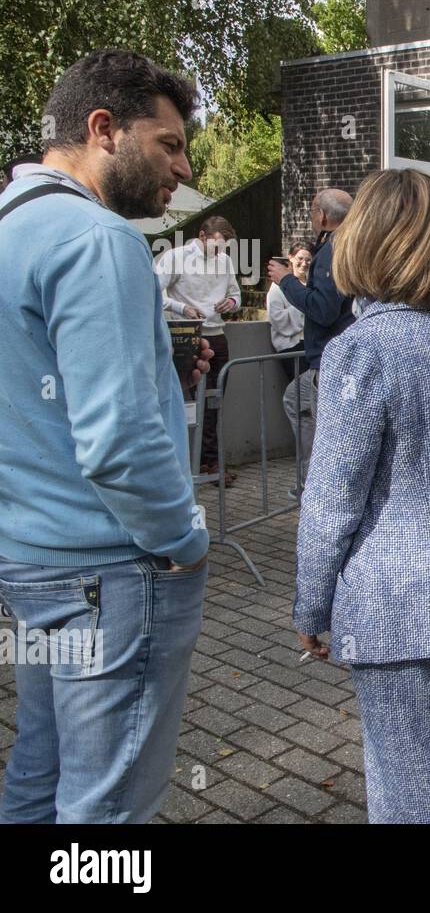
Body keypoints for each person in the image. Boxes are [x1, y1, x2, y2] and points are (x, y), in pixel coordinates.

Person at [0, 49, 209, 824]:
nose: (183, 168)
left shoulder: (13, 226)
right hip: (112, 576)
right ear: (103, 129)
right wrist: (183, 540)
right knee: (107, 806)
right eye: (169, 143)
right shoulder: (99, 240)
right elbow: (119, 441)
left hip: (30, 565)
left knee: (39, 774)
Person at [293, 168, 430, 824]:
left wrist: (311, 603)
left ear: (367, 240)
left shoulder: (363, 350)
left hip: (397, 614)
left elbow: (332, 500)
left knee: (414, 797)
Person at [266, 189, 353, 477]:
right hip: (338, 355)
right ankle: (309, 477)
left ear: (323, 216)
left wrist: (287, 280)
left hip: (330, 359)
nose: (312, 217)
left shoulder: (332, 250)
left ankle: (316, 482)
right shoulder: (352, 245)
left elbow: (324, 309)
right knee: (295, 398)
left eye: (313, 211)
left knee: (327, 434)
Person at [155, 216, 241, 482]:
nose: (220, 253)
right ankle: (181, 464)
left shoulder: (224, 261)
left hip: (217, 333)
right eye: (216, 247)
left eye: (224, 249)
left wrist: (231, 302)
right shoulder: (175, 257)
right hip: (186, 334)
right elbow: (154, 291)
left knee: (214, 401)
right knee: (185, 402)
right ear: (202, 236)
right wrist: (182, 308)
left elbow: (236, 294)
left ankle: (209, 461)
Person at [267, 242, 311, 383]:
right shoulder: (277, 287)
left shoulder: (313, 285)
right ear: (290, 258)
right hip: (291, 346)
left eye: (308, 260)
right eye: (300, 259)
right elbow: (277, 318)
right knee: (299, 391)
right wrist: (304, 305)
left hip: (312, 344)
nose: (304, 263)